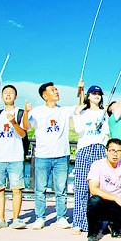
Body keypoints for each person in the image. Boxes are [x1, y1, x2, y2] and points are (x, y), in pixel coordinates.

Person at [28, 81, 80, 230]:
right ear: (45, 95)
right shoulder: (37, 111)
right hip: (42, 156)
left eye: (56, 89)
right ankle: (40, 217)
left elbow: (80, 106)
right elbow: (26, 126)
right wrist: (26, 111)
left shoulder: (63, 110)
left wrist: (81, 90)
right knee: (40, 189)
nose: (56, 91)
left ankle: (61, 217)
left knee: (61, 190)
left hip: (61, 156)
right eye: (52, 90)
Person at [72, 84, 111, 235]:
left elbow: (107, 131)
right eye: (93, 93)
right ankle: (78, 222)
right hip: (85, 149)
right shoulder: (83, 112)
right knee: (81, 187)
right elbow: (78, 129)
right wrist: (77, 113)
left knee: (98, 188)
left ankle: (95, 222)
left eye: (99, 94)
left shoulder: (104, 113)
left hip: (100, 149)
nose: (96, 96)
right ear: (88, 96)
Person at [86, 138, 121, 241]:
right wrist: (116, 198)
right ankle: (93, 233)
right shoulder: (97, 165)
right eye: (112, 151)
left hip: (117, 204)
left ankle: (113, 226)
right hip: (102, 201)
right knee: (94, 201)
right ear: (106, 151)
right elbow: (93, 189)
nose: (115, 154)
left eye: (119, 151)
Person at [0, 84, 29, 229]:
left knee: (16, 189)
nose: (8, 95)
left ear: (16, 96)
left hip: (15, 157)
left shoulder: (20, 113)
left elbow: (23, 134)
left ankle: (16, 219)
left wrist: (14, 122)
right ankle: (1, 219)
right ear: (1, 97)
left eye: (11, 93)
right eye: (5, 93)